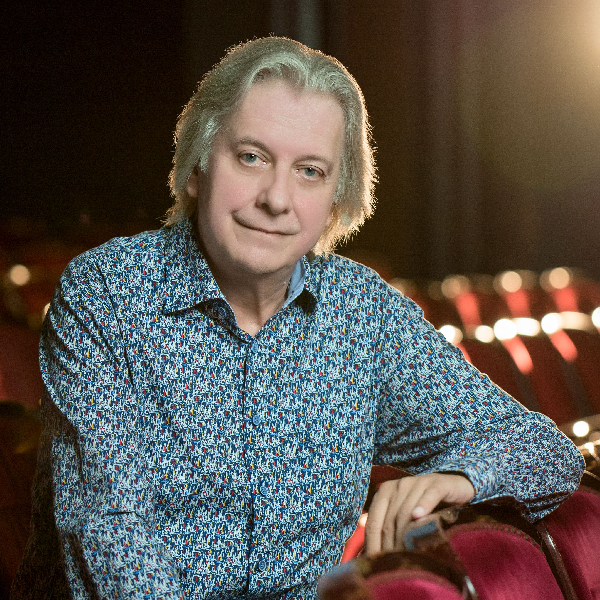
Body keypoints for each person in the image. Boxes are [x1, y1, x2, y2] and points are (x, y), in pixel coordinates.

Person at [13, 37, 584, 599]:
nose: (277, 199)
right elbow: (113, 542)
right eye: (252, 157)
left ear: (335, 202)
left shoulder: (363, 314)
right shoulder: (106, 294)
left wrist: (459, 478)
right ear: (196, 168)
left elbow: (546, 453)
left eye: (310, 171)